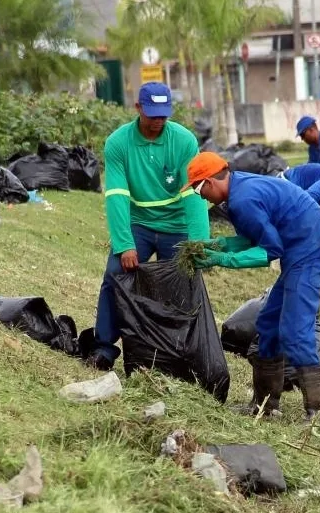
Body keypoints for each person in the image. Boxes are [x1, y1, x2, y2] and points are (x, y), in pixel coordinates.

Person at [186, 152, 320, 420]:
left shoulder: (242, 199)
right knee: (268, 324)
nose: (200, 196)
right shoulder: (239, 189)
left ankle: (319, 414)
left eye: (198, 189)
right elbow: (253, 237)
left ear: (209, 182)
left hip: (312, 254)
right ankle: (266, 406)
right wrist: (218, 245)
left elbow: (270, 249)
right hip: (299, 254)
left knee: (294, 330)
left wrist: (224, 259)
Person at [88, 82, 210, 371]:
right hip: (139, 224)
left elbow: (192, 193)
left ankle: (180, 353)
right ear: (138, 108)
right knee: (115, 278)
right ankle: (104, 348)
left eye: (163, 115)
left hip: (176, 225)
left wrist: (198, 243)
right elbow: (117, 196)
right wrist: (125, 244)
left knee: (182, 287)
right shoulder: (118, 143)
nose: (158, 121)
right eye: (152, 114)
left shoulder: (184, 141)